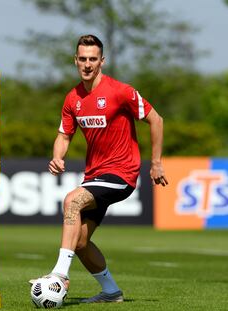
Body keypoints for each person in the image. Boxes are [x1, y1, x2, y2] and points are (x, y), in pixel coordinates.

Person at [35, 34, 168, 303]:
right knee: (81, 242)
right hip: (95, 175)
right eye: (82, 59)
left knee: (72, 201)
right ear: (75, 60)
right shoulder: (72, 98)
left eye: (92, 59)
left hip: (122, 173)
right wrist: (57, 157)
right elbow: (64, 135)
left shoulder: (121, 91)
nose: (87, 64)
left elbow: (156, 119)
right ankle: (111, 292)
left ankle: (59, 275)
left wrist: (155, 163)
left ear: (102, 61)